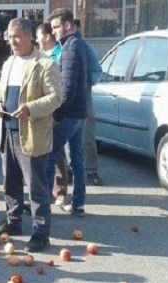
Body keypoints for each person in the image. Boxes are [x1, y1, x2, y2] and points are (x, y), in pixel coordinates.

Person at [0, 18, 61, 252]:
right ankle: (14, 222)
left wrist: (30, 108)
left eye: (17, 36)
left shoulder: (45, 64)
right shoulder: (9, 62)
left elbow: (55, 98)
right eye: (10, 37)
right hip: (8, 130)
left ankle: (41, 232)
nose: (12, 41)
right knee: (9, 182)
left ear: (31, 36)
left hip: (31, 133)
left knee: (36, 186)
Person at [47, 8, 89, 217]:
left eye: (56, 27)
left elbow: (68, 87)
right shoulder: (78, 44)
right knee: (77, 159)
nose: (54, 32)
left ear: (68, 25)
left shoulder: (71, 47)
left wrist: (57, 116)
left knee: (49, 155)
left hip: (70, 113)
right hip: (80, 112)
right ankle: (79, 203)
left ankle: (41, 203)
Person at [36, 22, 70, 207]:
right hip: (40, 109)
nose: (36, 39)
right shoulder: (39, 55)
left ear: (47, 36)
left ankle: (61, 191)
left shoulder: (61, 54)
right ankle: (45, 191)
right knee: (43, 151)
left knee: (56, 152)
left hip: (55, 109)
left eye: (38, 35)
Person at [74, 19, 104, 186]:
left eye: (79, 32)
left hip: (85, 101)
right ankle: (66, 173)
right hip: (65, 101)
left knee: (88, 138)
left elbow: (98, 72)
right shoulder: (61, 49)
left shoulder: (87, 50)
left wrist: (87, 80)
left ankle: (92, 171)